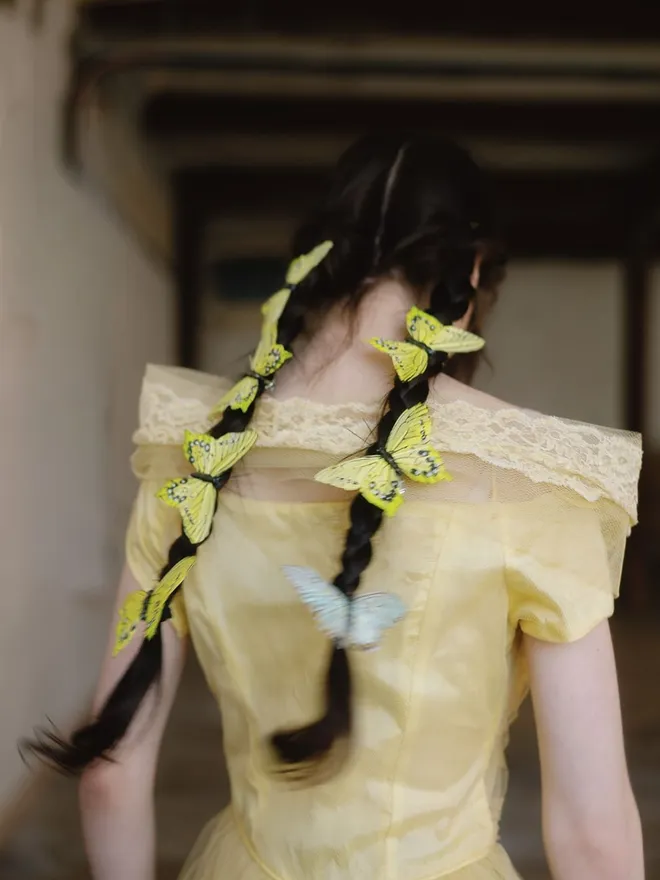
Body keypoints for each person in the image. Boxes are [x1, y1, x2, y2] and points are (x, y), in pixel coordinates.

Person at [28, 134, 644, 879]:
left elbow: (109, 770)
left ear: (318, 261)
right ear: (472, 273)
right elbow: (593, 833)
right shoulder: (540, 486)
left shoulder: (192, 464)